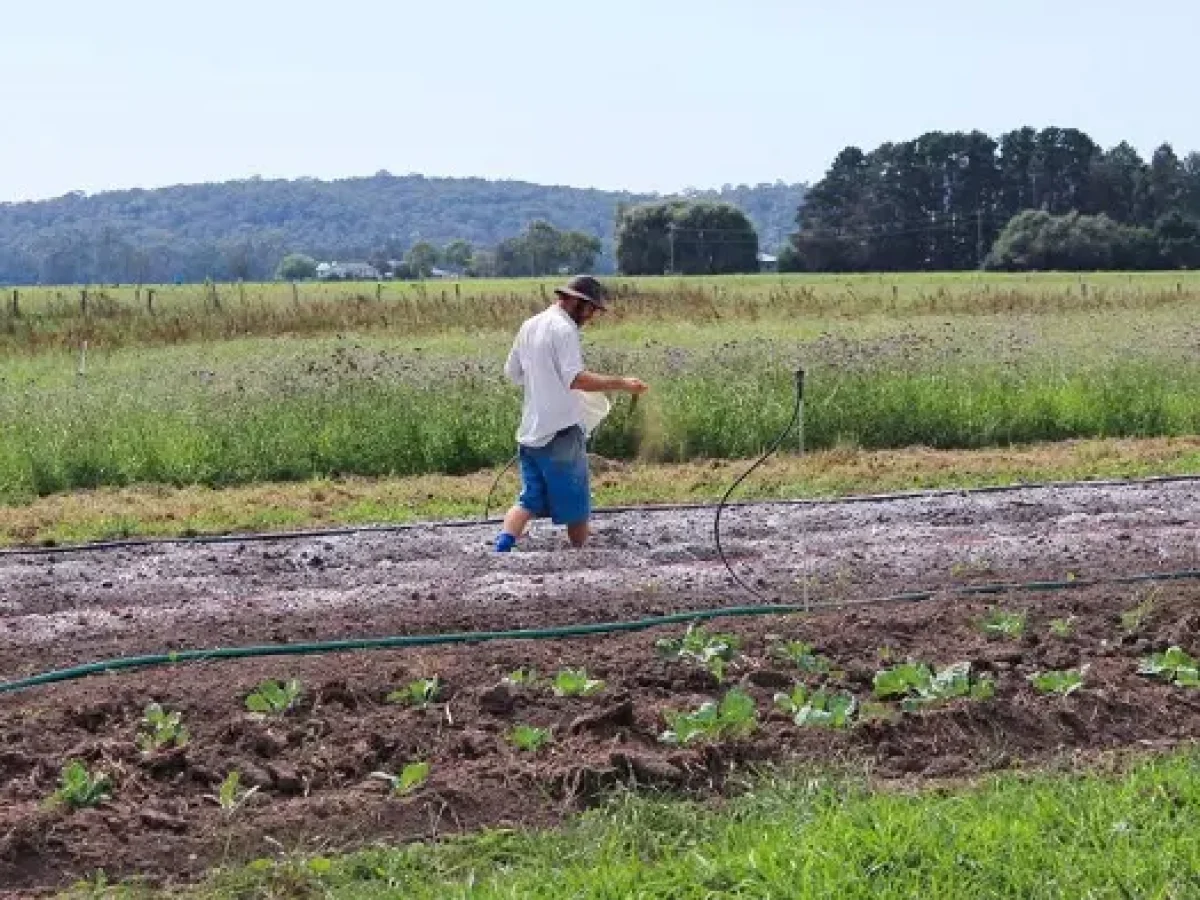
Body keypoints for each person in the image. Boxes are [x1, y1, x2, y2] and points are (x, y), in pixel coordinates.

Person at [494, 275, 648, 552]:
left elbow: (513, 373)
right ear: (578, 302)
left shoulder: (530, 324)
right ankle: (580, 554)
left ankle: (503, 545)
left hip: (530, 432)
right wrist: (622, 383)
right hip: (561, 432)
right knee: (576, 504)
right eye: (591, 309)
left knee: (529, 499)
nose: (591, 316)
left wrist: (544, 381)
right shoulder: (564, 329)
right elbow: (576, 379)